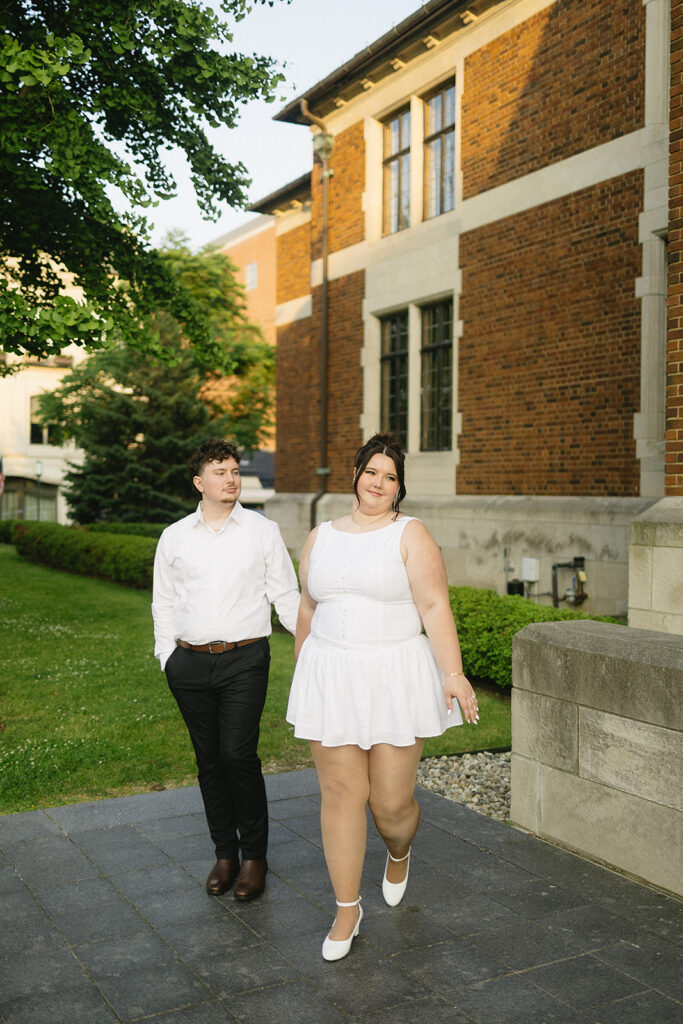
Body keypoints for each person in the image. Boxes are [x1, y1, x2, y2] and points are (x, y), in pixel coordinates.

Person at [286, 433, 478, 960]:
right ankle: (347, 909)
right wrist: (304, 667)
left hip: (394, 675)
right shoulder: (320, 536)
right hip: (332, 676)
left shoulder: (411, 534)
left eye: (390, 477)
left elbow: (434, 606)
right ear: (355, 474)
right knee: (341, 794)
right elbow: (308, 606)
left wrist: (453, 673)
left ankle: (398, 850)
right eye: (371, 472)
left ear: (399, 488)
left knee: (390, 805)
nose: (378, 483)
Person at [152, 438, 299, 901]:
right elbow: (163, 601)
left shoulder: (262, 531)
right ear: (200, 482)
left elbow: (286, 595)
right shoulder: (175, 536)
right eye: (220, 472)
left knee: (238, 755)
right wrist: (167, 657)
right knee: (209, 761)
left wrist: (313, 643)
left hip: (245, 660)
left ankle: (254, 856)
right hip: (188, 664)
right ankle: (225, 855)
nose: (231, 479)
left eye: (235, 470)